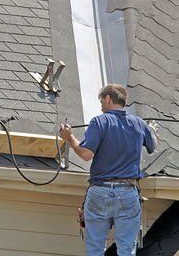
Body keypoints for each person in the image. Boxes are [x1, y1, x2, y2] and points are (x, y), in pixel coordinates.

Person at [59, 84, 156, 256]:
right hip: (127, 192)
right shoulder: (138, 124)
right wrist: (151, 131)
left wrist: (69, 138)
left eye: (102, 101)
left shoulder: (100, 121)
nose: (101, 106)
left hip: (100, 192)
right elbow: (152, 146)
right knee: (126, 250)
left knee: (95, 249)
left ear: (108, 99)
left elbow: (86, 154)